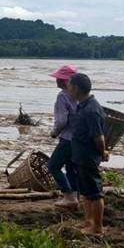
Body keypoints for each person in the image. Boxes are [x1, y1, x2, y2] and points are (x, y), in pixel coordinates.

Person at [67, 73, 108, 235]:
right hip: (81, 155)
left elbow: (99, 137)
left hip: (88, 156)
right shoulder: (82, 105)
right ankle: (88, 222)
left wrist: (102, 151)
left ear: (76, 88)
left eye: (70, 86)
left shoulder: (92, 109)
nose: (68, 89)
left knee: (94, 193)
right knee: (86, 192)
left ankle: (97, 227)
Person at [48, 65, 79, 209]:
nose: (57, 81)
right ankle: (75, 196)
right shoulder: (79, 95)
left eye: (60, 79)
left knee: (53, 165)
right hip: (79, 139)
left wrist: (54, 132)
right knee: (71, 167)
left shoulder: (62, 96)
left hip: (67, 139)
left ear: (67, 81)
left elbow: (61, 120)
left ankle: (68, 196)